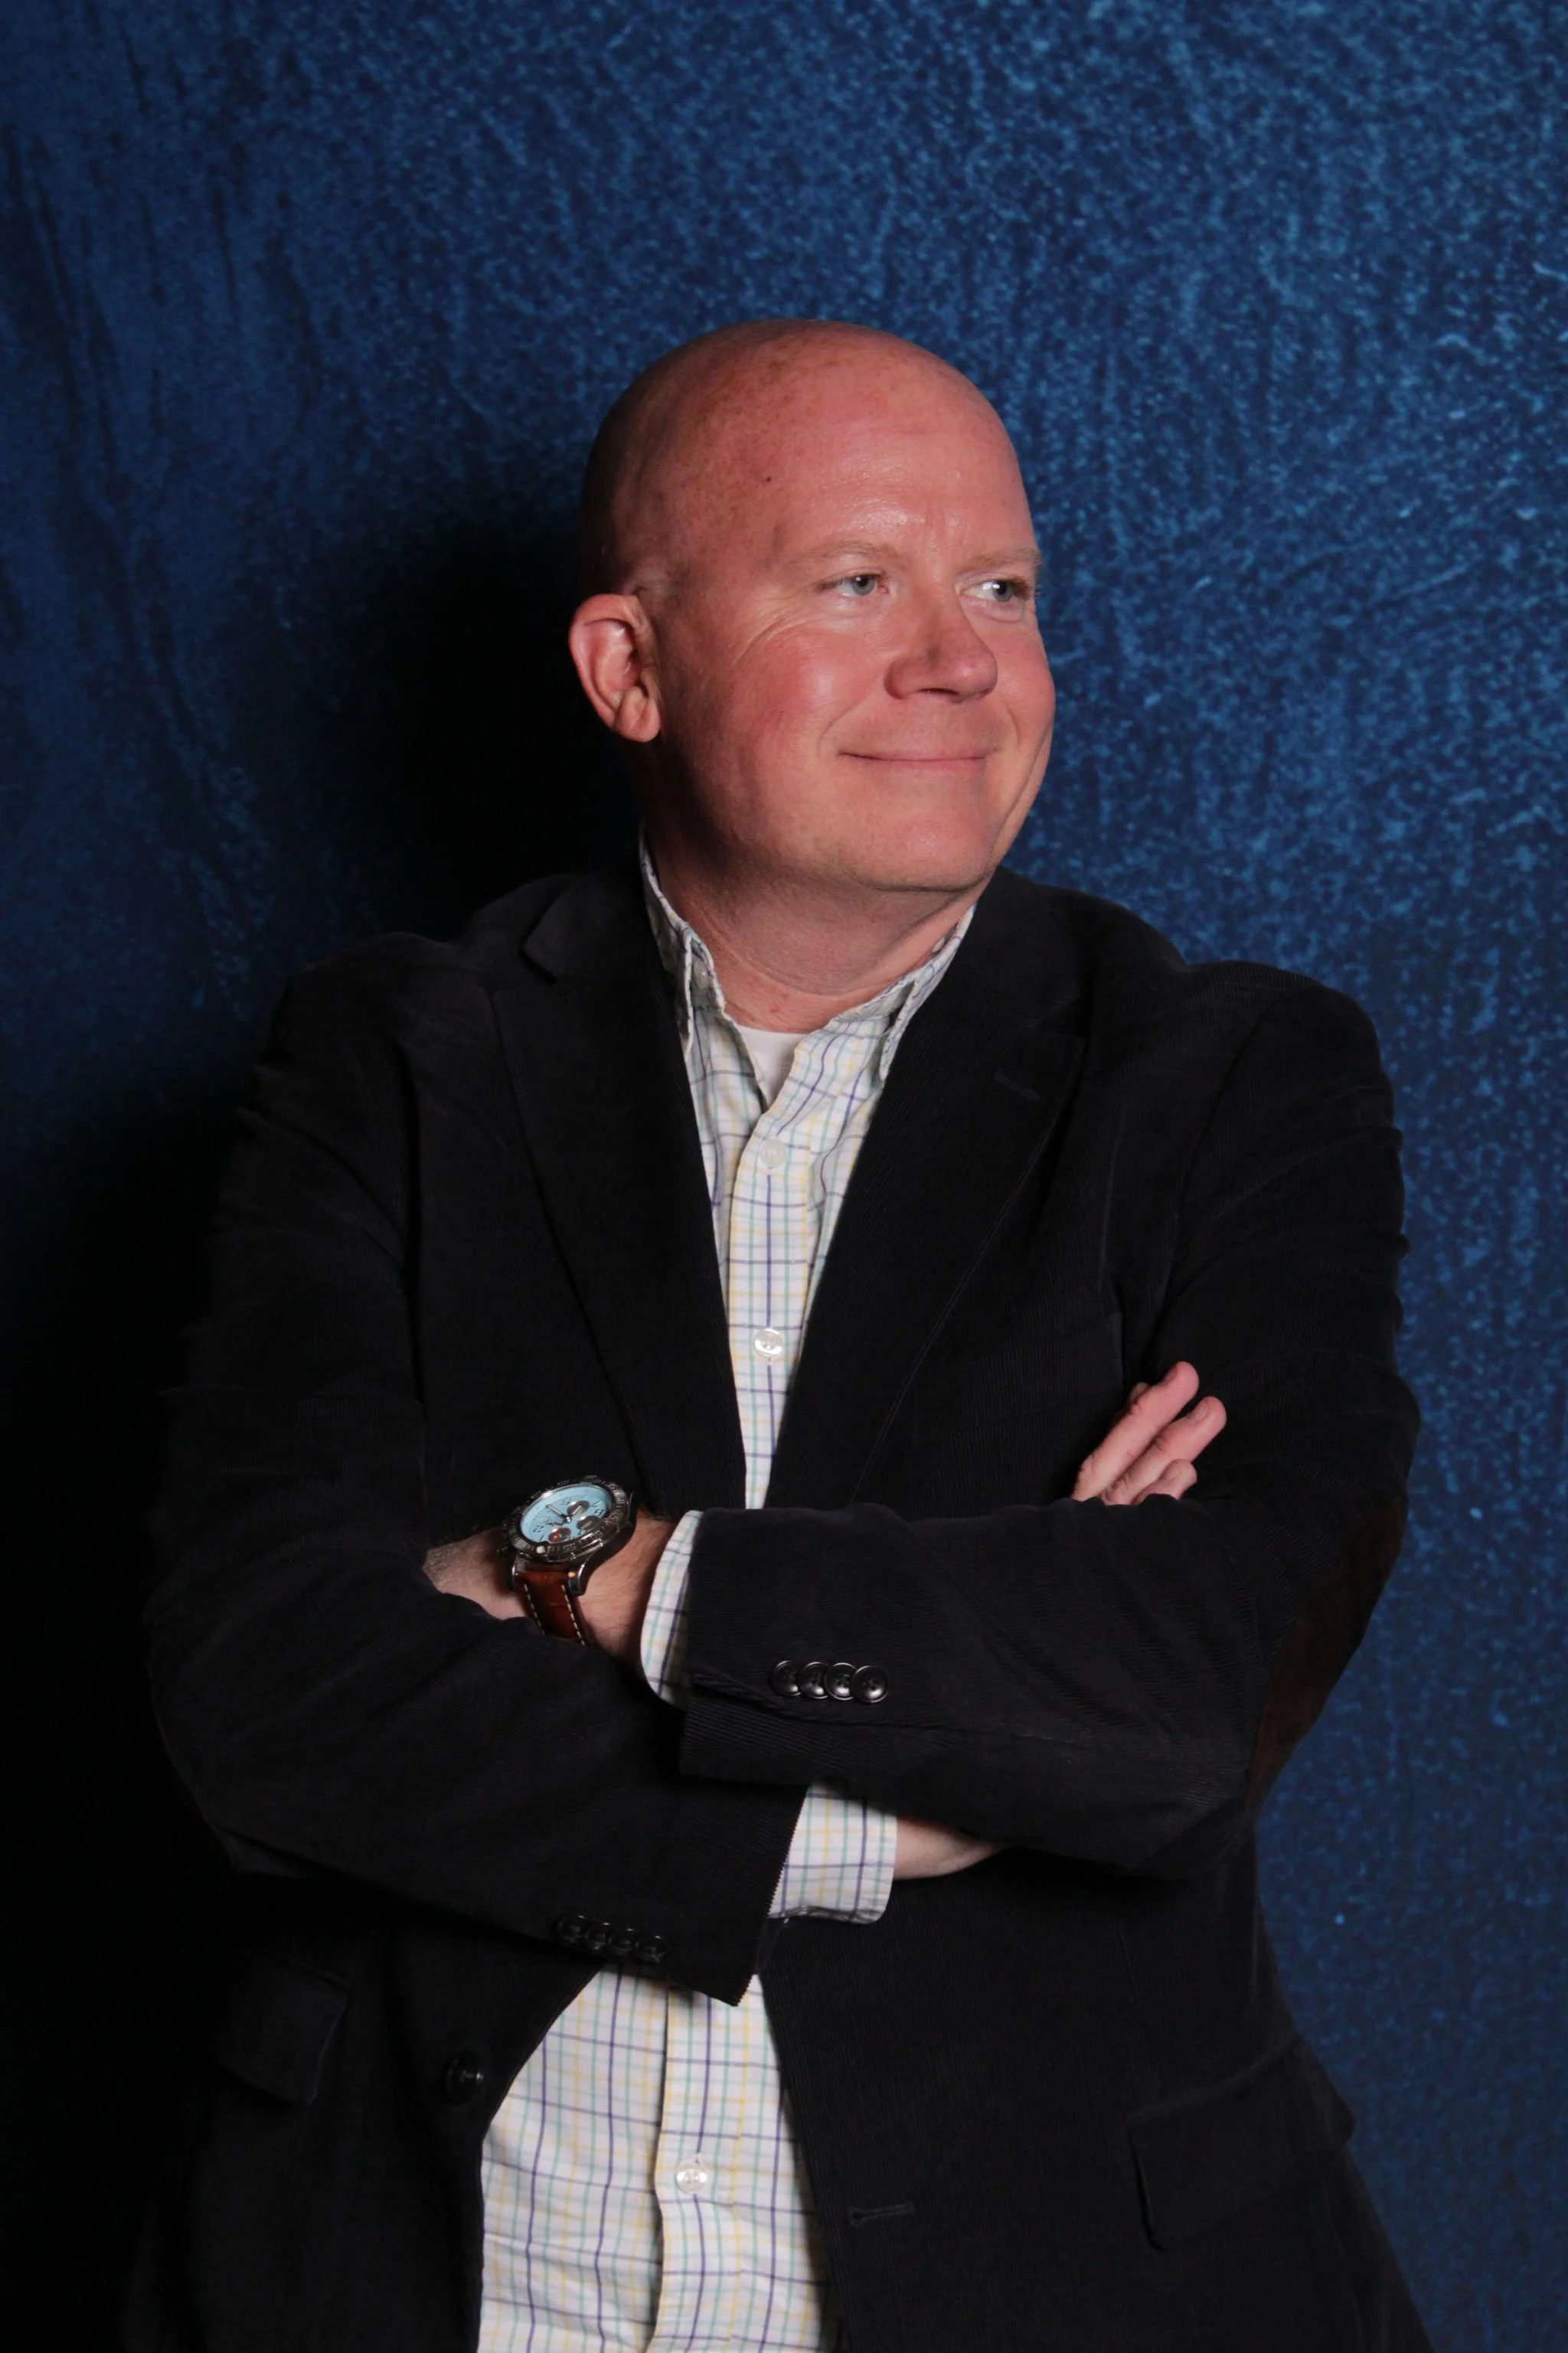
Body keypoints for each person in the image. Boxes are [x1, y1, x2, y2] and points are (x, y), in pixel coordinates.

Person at [133, 319, 1427, 2351]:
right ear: (626, 671)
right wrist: (888, 1796)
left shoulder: (1235, 1081)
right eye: (858, 582)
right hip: (435, 2278)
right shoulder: (394, 1056)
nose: (965, 658)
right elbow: (263, 1698)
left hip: (1066, 2289)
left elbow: (1181, 1700)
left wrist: (581, 1562)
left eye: (1005, 587)